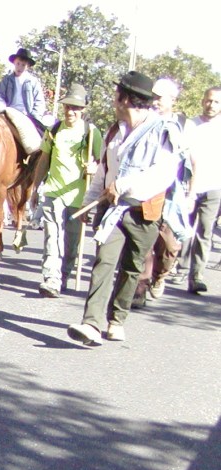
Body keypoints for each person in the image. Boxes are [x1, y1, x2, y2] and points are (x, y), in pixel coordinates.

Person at [66, 71, 179, 346]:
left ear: (126, 99)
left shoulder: (162, 130)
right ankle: (91, 323)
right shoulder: (115, 131)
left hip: (144, 211)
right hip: (113, 209)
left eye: (116, 96)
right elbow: (105, 170)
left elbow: (163, 173)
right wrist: (87, 202)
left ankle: (117, 319)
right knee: (104, 261)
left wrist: (125, 184)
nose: (113, 101)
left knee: (132, 268)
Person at [33, 83, 103, 298]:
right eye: (68, 107)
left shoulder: (91, 133)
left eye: (76, 108)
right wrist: (36, 188)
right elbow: (44, 159)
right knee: (51, 237)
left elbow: (102, 163)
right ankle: (51, 278)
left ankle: (64, 274)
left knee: (71, 242)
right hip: (54, 191)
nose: (71, 112)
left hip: (78, 196)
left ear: (83, 110)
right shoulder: (53, 130)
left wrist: (94, 167)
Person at [131, 78, 190, 307]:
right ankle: (139, 288)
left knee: (169, 245)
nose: (154, 101)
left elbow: (190, 162)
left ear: (172, 101)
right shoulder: (143, 121)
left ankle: (160, 276)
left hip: (172, 193)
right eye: (152, 97)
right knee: (143, 243)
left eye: (159, 97)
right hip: (147, 193)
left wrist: (191, 194)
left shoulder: (184, 125)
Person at [172, 86, 221, 294]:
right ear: (202, 101)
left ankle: (197, 276)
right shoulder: (191, 125)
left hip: (214, 186)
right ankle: (180, 268)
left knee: (205, 233)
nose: (212, 105)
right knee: (185, 229)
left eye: (217, 102)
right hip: (189, 185)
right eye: (209, 100)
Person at [0, 48, 49, 133]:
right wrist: (1, 109)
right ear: (14, 62)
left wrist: (34, 116)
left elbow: (39, 102)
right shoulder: (7, 79)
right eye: (18, 64)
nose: (20, 67)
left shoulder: (33, 81)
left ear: (28, 66)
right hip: (9, 113)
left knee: (39, 137)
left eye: (23, 65)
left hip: (27, 116)